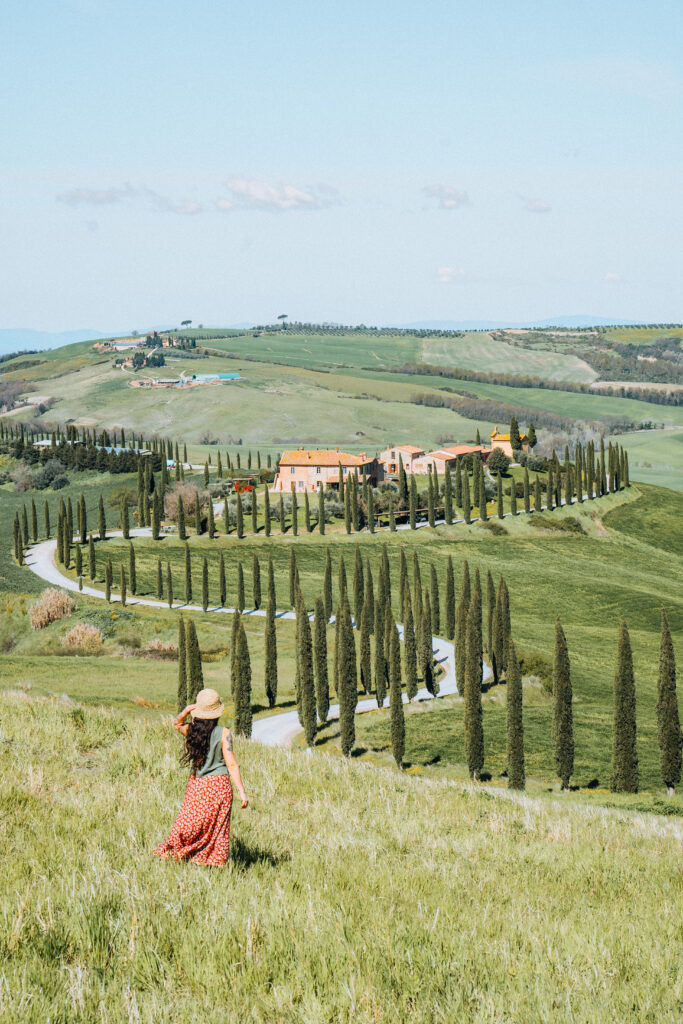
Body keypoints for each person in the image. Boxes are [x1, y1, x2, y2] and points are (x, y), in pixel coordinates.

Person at [153, 688, 248, 867]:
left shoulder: (192, 731)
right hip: (220, 785)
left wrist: (186, 711)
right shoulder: (224, 733)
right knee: (218, 827)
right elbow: (232, 764)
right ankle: (213, 861)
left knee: (188, 822)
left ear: (199, 710)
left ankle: (177, 852)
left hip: (198, 785)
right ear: (216, 712)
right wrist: (242, 792)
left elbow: (176, 724)